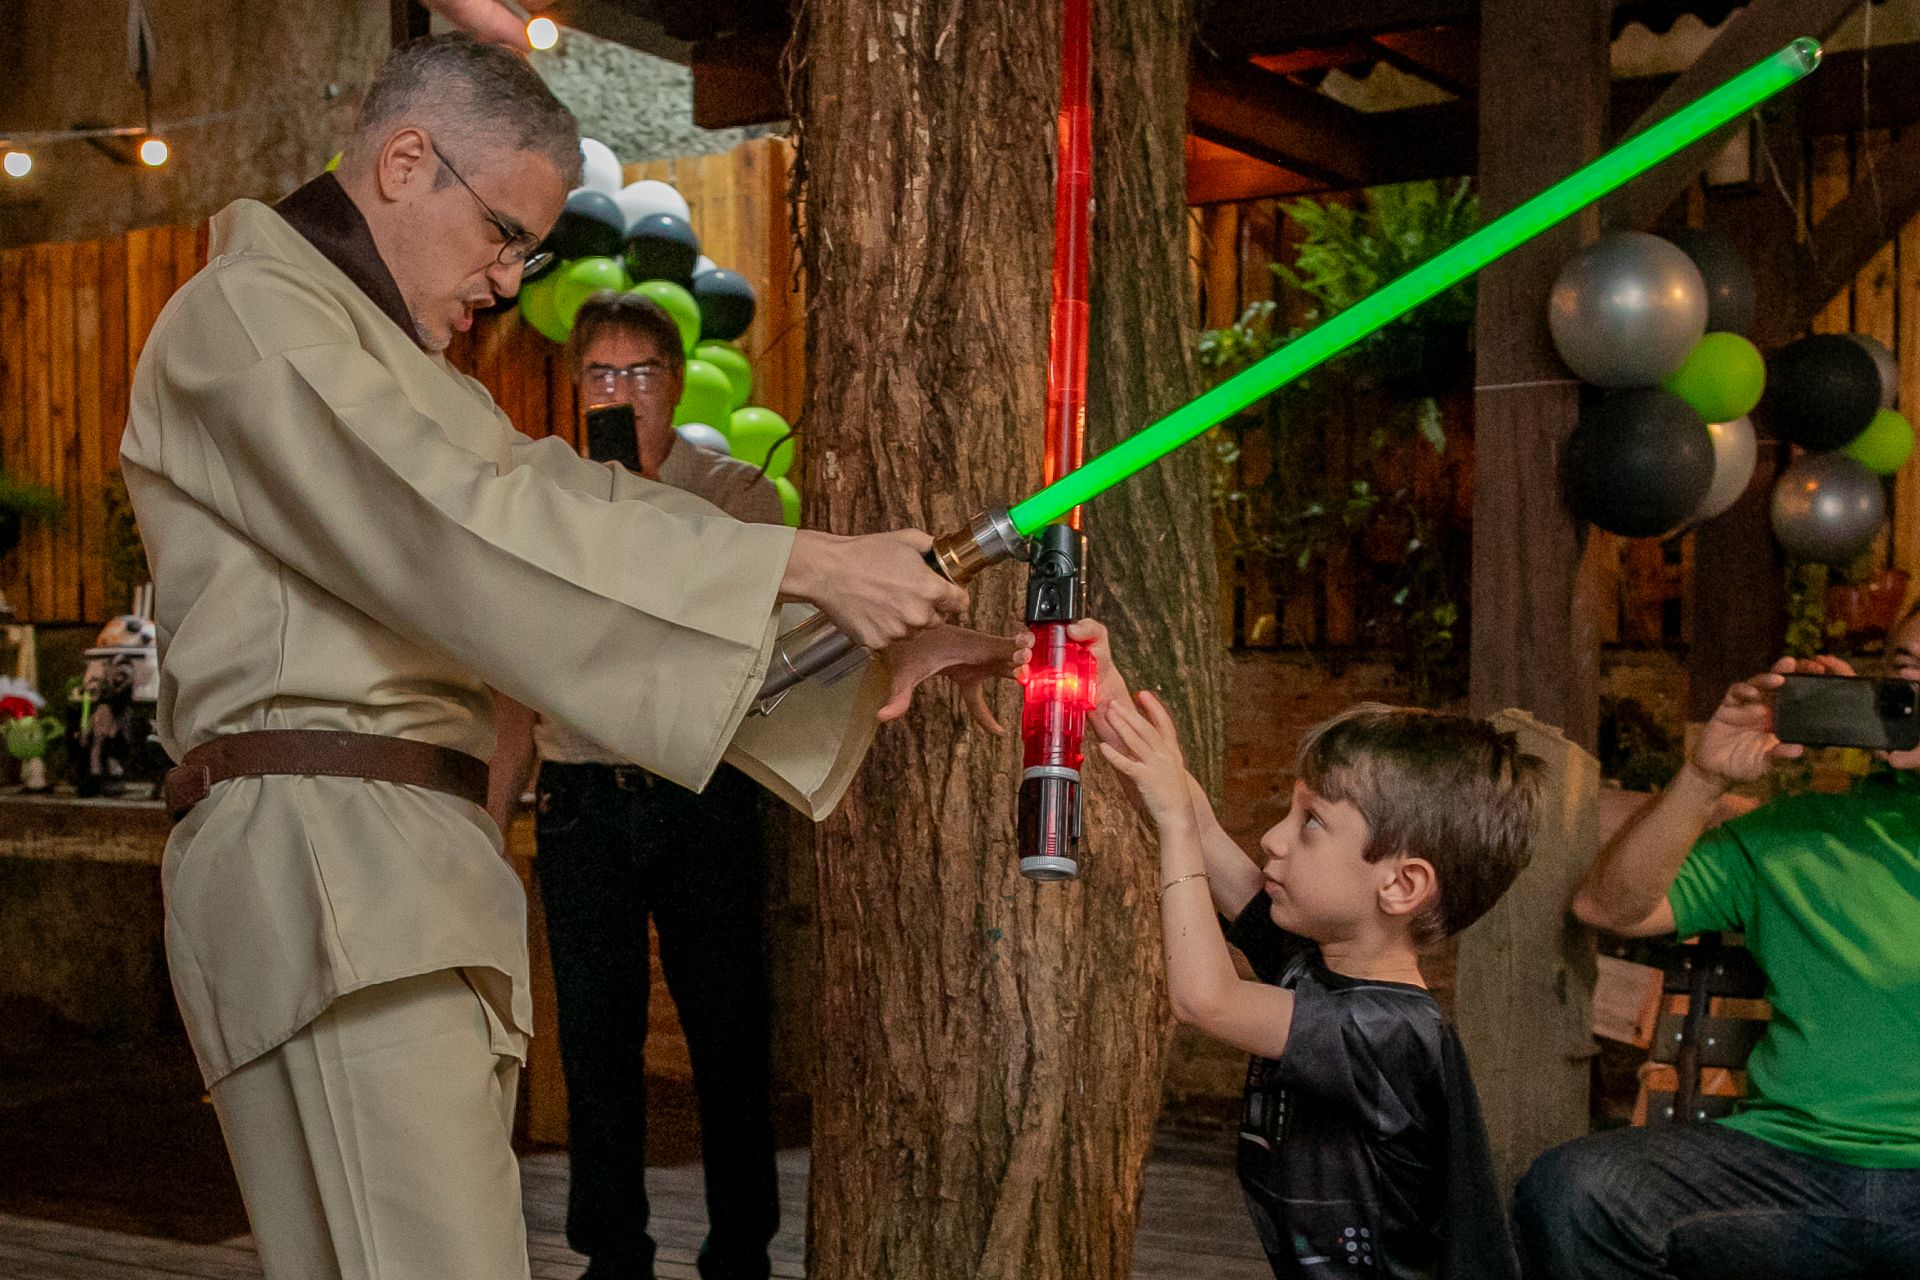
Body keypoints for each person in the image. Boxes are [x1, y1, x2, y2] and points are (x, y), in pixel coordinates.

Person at [120, 35, 1000, 1279]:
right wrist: (809, 564)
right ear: (405, 160)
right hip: (332, 868)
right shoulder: (257, 314)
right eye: (503, 235)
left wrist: (845, 647)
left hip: (380, 875)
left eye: (527, 253)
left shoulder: (390, 362)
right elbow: (467, 524)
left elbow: (552, 523)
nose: (506, 278)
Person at [487, 291, 1023, 1280]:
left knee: (728, 1029)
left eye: (638, 373)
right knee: (595, 1039)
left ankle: (742, 1251)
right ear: (577, 387)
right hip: (582, 796)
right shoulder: (552, 501)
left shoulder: (736, 497)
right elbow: (520, 670)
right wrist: (491, 814)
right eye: (600, 375)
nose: (619, 393)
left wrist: (635, 523)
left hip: (706, 784)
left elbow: (730, 635)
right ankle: (611, 1253)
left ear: (675, 382)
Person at [1077, 620, 1538, 1279]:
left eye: (1312, 822)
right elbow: (1199, 830)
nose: (1273, 838)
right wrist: (1104, 693)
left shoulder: (1395, 1035)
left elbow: (1207, 999)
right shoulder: (1313, 966)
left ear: (1401, 884)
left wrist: (1176, 819)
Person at [1514, 610, 1920, 1279]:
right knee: (1576, 1192)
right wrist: (1704, 777)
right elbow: (1608, 907)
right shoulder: (1790, 832)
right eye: (1906, 670)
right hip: (1787, 1171)